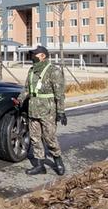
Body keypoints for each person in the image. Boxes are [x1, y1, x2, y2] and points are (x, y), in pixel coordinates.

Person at [13, 45, 67, 176]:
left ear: (43, 56)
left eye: (35, 55)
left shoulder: (53, 70)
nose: (32, 57)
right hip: (33, 109)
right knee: (35, 138)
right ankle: (39, 165)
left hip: (47, 110)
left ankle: (58, 161)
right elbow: (27, 89)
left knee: (49, 138)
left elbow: (59, 93)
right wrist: (20, 99)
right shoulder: (32, 71)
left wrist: (61, 111)